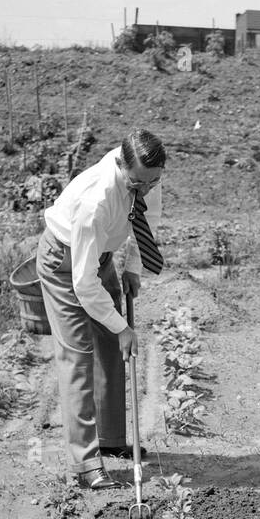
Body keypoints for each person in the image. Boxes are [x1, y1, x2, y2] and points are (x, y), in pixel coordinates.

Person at [37, 129, 165, 491]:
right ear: (120, 164)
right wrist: (121, 325)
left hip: (101, 257)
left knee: (111, 348)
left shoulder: (148, 174)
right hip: (65, 264)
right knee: (78, 355)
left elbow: (146, 223)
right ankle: (85, 464)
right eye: (137, 182)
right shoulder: (97, 198)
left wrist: (134, 269)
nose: (145, 188)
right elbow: (83, 282)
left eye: (153, 181)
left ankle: (110, 440)